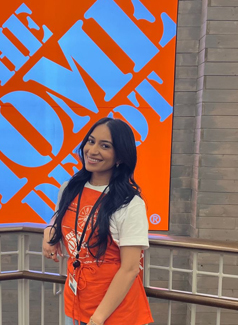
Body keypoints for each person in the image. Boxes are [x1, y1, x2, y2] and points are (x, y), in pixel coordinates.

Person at [42, 117, 153, 325]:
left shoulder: (129, 203)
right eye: (90, 141)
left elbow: (130, 269)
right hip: (77, 301)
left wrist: (98, 318)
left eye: (105, 146)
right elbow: (59, 217)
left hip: (114, 313)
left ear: (120, 156)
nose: (92, 151)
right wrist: (49, 230)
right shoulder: (69, 188)